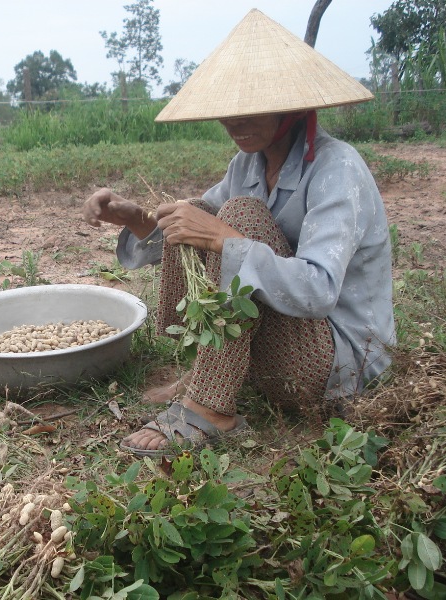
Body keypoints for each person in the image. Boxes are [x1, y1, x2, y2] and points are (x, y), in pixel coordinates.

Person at [82, 9, 395, 458]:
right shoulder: (246, 165)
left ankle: (211, 405)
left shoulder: (336, 168)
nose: (235, 123)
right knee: (199, 212)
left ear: (291, 105)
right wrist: (134, 217)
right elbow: (194, 226)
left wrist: (225, 239)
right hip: (284, 346)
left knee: (239, 219)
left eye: (251, 109)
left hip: (337, 361)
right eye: (228, 111)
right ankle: (208, 371)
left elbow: (320, 290)